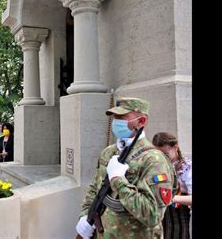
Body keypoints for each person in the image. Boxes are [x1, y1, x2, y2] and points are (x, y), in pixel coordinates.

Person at [75, 97, 177, 238]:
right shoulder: (109, 152)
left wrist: (118, 181)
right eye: (115, 117)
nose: (116, 122)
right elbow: (95, 188)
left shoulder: (154, 160)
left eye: (122, 117)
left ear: (142, 121)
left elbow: (153, 215)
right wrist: (86, 214)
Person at [152, 132, 192, 239]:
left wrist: (171, 198)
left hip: (180, 219)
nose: (161, 159)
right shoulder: (155, 167)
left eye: (165, 154)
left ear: (175, 148)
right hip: (160, 218)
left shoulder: (187, 168)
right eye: (158, 155)